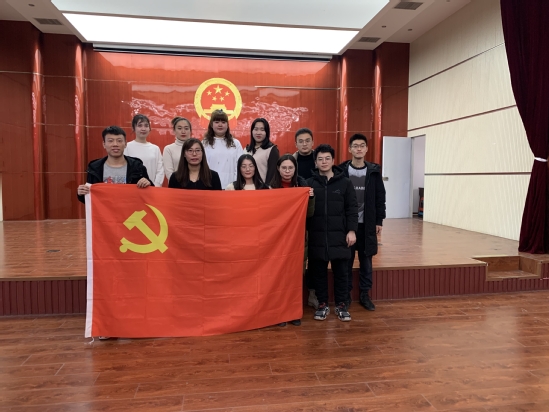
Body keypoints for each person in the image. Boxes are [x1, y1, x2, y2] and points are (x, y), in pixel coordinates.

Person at [306, 144, 358, 322]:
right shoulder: (309, 183)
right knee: (319, 273)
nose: (324, 162)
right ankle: (322, 304)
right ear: (315, 162)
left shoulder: (345, 183)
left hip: (340, 236)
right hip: (317, 236)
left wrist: (352, 230)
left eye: (327, 158)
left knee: (342, 273)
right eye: (320, 159)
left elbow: (352, 208)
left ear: (333, 160)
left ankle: (342, 305)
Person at [339, 134, 386, 311]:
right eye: (355, 146)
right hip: (347, 225)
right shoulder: (342, 171)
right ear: (349, 149)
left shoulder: (373, 172)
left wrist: (379, 220)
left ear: (366, 149)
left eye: (362, 145)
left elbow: (380, 197)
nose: (359, 149)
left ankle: (365, 295)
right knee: (346, 261)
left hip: (367, 224)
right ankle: (346, 295)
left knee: (366, 261)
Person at [270, 154, 315, 327]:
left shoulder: (302, 186)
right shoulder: (270, 188)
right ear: (278, 168)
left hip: (297, 239)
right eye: (284, 168)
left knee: (295, 277)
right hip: (277, 240)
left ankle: (293, 312)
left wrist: (310, 198)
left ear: (295, 169)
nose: (287, 171)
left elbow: (309, 214)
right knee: (277, 277)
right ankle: (279, 313)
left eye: (290, 168)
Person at [77, 125, 153, 201]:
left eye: (119, 141)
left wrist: (148, 183)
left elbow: (150, 194)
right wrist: (81, 194)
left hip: (130, 208)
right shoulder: (95, 168)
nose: (115, 144)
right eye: (110, 141)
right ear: (104, 144)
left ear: (125, 144)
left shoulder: (137, 166)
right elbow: (90, 199)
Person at [203, 110, 243, 189]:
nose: (220, 125)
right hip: (210, 186)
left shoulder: (235, 143)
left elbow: (240, 165)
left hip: (231, 187)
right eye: (217, 122)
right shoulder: (205, 143)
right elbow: (203, 167)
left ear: (227, 125)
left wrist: (235, 185)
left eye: (223, 122)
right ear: (211, 124)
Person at [123, 114, 165, 187]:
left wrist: (155, 186)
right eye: (140, 126)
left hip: (152, 188)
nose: (143, 129)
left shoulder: (155, 148)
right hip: (132, 188)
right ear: (133, 128)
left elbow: (160, 170)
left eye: (146, 126)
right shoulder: (127, 147)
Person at [244, 118, 279, 185]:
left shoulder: (272, 150)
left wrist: (266, 188)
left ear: (267, 132)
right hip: (246, 188)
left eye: (262, 130)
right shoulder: (246, 150)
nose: (258, 133)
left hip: (263, 188)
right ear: (252, 131)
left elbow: (272, 175)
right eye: (256, 129)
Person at [163, 116, 192, 181]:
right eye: (179, 128)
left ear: (190, 130)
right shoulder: (168, 149)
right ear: (174, 131)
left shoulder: (196, 148)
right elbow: (169, 173)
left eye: (186, 128)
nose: (183, 131)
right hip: (176, 185)